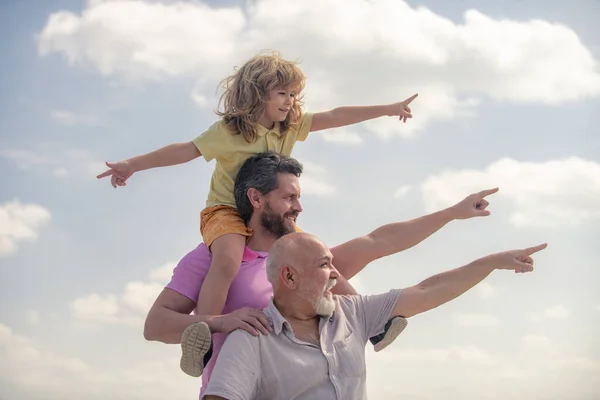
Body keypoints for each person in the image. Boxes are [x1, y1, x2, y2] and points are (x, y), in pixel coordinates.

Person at [97, 50, 419, 375]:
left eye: (293, 94)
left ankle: (374, 320)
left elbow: (335, 116)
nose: (290, 101)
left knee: (317, 257)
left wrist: (388, 110)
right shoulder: (230, 131)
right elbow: (186, 150)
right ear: (257, 93)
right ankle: (203, 339)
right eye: (282, 93)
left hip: (268, 212)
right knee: (227, 260)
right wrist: (132, 165)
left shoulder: (289, 127)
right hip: (226, 210)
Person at [144, 152, 499, 397]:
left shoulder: (310, 259)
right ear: (256, 198)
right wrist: (223, 322)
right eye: (289, 197)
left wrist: (452, 212)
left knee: (351, 303)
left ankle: (376, 327)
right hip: (237, 390)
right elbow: (155, 326)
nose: (299, 206)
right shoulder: (213, 256)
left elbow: (378, 241)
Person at [203, 232, 547, 400]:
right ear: (290, 277)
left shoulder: (352, 312)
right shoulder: (250, 339)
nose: (336, 274)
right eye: (325, 265)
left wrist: (491, 262)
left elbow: (427, 291)